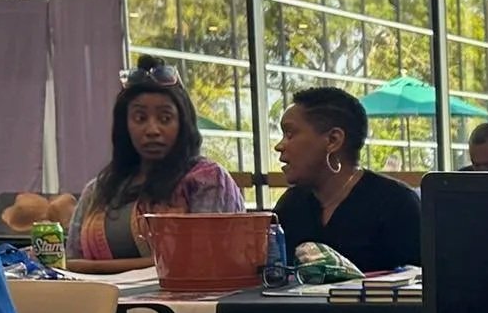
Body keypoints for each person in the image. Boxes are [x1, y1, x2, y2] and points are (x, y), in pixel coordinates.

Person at [67, 58, 245, 275]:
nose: (152, 130)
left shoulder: (208, 180)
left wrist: (93, 268)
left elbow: (202, 261)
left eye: (165, 118)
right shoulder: (98, 189)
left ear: (183, 123)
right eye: (140, 118)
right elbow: (69, 264)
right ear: (125, 125)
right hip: (98, 297)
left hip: (183, 298)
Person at [275, 86, 422, 272]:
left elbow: (422, 282)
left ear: (333, 140)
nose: (279, 146)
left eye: (289, 134)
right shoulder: (290, 206)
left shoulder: (397, 205)